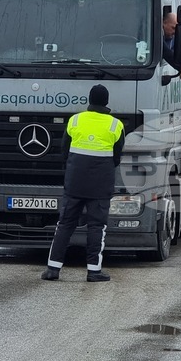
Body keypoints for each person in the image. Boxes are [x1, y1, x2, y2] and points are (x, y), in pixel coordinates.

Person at [41, 84, 125, 282]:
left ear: (90, 100)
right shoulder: (115, 125)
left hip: (75, 182)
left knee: (65, 224)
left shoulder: (75, 120)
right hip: (100, 185)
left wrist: (73, 169)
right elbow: (117, 156)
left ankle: (53, 269)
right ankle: (94, 271)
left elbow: (64, 150)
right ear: (106, 101)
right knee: (97, 227)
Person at [162, 9, 181, 82]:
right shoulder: (153, 34)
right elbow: (164, 50)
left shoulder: (174, 38)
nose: (175, 32)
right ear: (163, 23)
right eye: (173, 28)